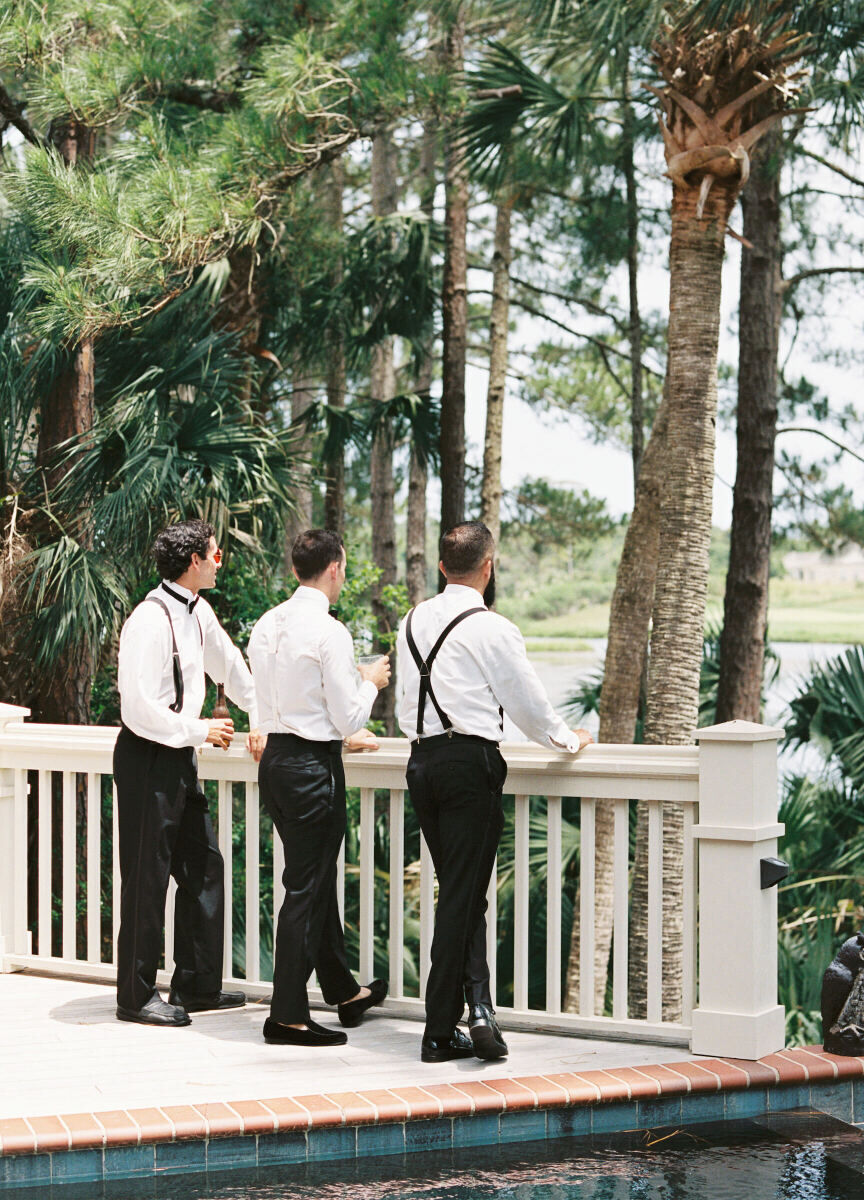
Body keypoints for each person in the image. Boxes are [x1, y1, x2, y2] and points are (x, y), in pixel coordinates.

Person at [397, 521, 593, 1063]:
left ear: (442, 567)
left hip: (421, 764)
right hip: (469, 765)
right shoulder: (493, 628)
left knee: (463, 890)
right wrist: (565, 738)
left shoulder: (409, 620)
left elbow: (403, 704)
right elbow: (528, 704)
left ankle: (479, 1012)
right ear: (488, 568)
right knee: (462, 894)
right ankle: (439, 1030)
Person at [114, 519, 265, 1027]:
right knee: (147, 878)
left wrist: (265, 718)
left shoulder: (200, 612)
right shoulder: (148, 620)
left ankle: (196, 986)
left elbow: (233, 670)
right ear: (195, 561)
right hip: (146, 758)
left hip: (179, 758)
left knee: (204, 867)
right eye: (215, 555)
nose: (220, 562)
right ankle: (134, 998)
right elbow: (137, 708)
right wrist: (199, 729)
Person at [247, 529, 392, 1048]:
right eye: (345, 568)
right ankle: (286, 1015)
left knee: (312, 878)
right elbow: (347, 713)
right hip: (312, 769)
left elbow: (267, 701)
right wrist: (370, 683)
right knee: (305, 889)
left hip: (278, 763)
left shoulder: (265, 625)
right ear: (334, 568)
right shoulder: (330, 632)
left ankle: (342, 991)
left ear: (295, 570)